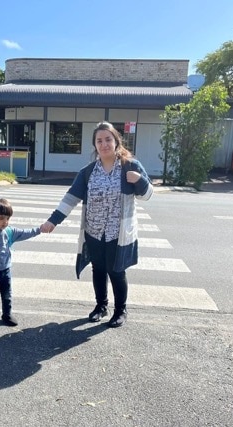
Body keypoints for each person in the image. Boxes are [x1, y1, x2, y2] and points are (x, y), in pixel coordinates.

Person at [40, 121, 154, 328]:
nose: (104, 144)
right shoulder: (88, 171)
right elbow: (70, 199)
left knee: (116, 270)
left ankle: (121, 310)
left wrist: (139, 180)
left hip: (117, 233)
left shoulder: (131, 166)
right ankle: (101, 306)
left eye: (108, 139)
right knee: (98, 269)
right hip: (94, 230)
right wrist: (53, 220)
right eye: (99, 141)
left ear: (116, 141)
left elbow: (147, 195)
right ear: (95, 145)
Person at [0, 198, 41, 331]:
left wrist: (39, 229)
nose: (5, 222)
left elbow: (24, 233)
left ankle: (6, 315)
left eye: (7, 218)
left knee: (7, 295)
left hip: (5, 270)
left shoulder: (9, 231)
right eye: (1, 218)